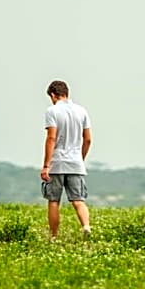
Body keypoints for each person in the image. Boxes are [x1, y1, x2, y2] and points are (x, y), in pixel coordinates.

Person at [41, 80, 92, 240]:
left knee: (54, 200)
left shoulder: (52, 111)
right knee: (78, 200)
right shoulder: (82, 111)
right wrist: (80, 158)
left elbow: (51, 138)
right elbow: (88, 139)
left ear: (53, 95)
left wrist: (46, 165)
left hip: (57, 162)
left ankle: (54, 236)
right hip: (76, 162)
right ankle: (86, 226)